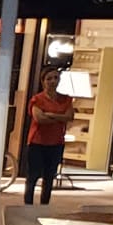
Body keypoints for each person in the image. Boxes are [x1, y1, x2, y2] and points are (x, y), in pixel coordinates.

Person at [24, 66, 72, 205]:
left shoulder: (66, 99)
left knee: (49, 177)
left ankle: (44, 205)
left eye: (56, 78)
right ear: (43, 81)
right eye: (49, 78)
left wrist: (50, 114)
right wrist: (60, 117)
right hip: (37, 142)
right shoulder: (37, 99)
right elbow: (39, 118)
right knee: (33, 177)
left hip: (56, 143)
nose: (52, 81)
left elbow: (69, 116)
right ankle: (28, 205)